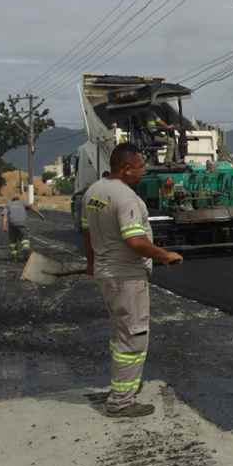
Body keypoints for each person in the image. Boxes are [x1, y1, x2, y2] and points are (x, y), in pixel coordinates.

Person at [82, 143, 184, 418]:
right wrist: (165, 255)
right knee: (134, 338)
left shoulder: (93, 192)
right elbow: (134, 240)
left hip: (106, 274)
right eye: (140, 167)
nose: (143, 171)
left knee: (121, 334)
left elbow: (86, 232)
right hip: (126, 276)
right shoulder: (126, 198)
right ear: (126, 169)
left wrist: (92, 265)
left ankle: (120, 388)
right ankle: (121, 402)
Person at [2, 196, 32, 260]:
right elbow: (31, 207)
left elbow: (5, 215)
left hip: (12, 224)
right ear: (18, 199)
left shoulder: (8, 204)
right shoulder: (23, 203)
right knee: (24, 237)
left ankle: (14, 255)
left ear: (12, 200)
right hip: (22, 223)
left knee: (12, 240)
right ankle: (25, 247)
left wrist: (4, 226)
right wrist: (41, 215)